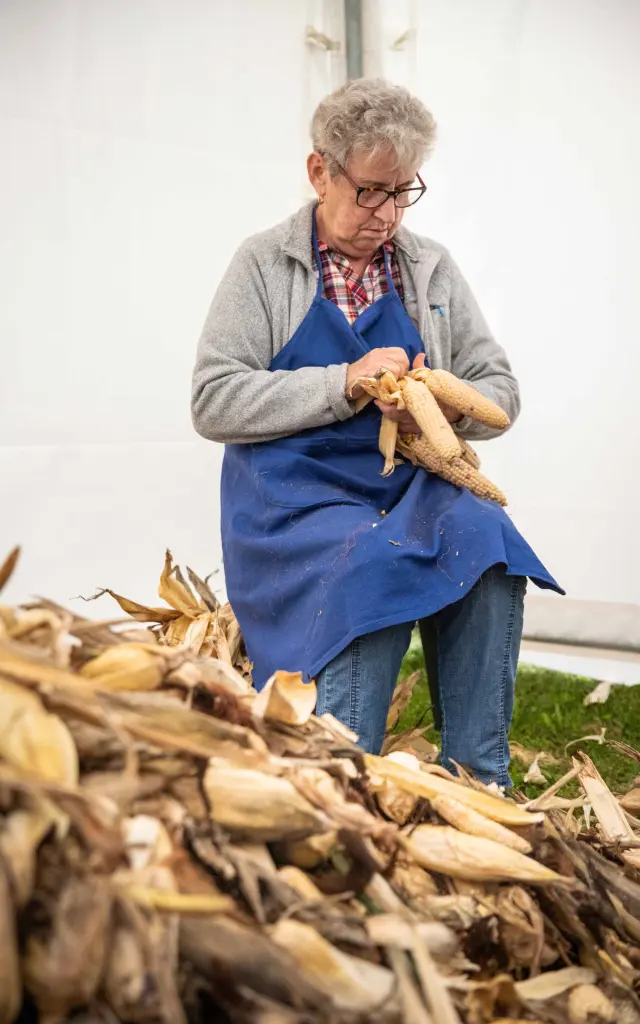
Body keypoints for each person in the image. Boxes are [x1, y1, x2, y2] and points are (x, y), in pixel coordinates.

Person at [191, 78, 561, 786]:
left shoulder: (429, 268)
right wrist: (344, 383)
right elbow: (213, 399)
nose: (388, 213)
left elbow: (498, 386)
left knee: (487, 540)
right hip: (294, 501)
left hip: (405, 483)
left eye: (404, 191)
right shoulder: (264, 266)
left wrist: (442, 404)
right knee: (369, 564)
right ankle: (345, 787)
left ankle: (480, 778)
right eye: (370, 191)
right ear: (318, 171)